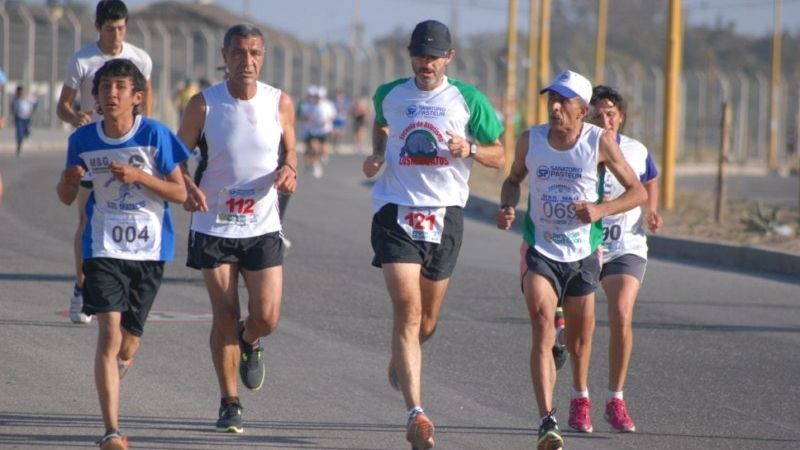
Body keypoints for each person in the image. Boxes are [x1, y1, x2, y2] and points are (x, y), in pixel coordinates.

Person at [363, 20, 504, 449]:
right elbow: (382, 126)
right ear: (411, 55)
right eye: (420, 55)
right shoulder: (390, 93)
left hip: (445, 217)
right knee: (407, 312)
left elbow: (500, 155)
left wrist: (474, 150)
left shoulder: (469, 100)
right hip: (396, 210)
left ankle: (402, 359)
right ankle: (417, 415)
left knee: (427, 321)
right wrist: (376, 154)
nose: (426, 64)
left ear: (449, 58)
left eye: (434, 56)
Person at [495, 69, 646, 450]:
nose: (555, 107)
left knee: (579, 343)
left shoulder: (598, 144)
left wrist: (601, 209)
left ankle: (581, 393)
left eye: (564, 102)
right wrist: (508, 205)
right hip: (540, 249)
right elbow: (513, 180)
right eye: (551, 100)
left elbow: (638, 191)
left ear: (582, 111)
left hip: (582, 255)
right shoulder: (531, 140)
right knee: (543, 325)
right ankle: (547, 420)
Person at [56, 58, 189, 450]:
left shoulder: (155, 135)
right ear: (94, 96)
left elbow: (180, 193)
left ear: (137, 97)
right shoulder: (82, 141)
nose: (111, 94)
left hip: (149, 250)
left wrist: (140, 177)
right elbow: (66, 199)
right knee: (109, 334)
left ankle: (119, 369)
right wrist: (66, 182)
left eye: (120, 87)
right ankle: (111, 431)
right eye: (104, 87)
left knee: (128, 345)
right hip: (102, 246)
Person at [178, 23, 297, 434]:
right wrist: (188, 186)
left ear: (263, 57)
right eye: (239, 53)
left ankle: (251, 339)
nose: (247, 61)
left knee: (266, 317)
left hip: (262, 223)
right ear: (225, 57)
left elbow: (290, 149)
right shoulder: (202, 105)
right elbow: (176, 158)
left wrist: (290, 168)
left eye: (255, 54)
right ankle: (229, 402)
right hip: (214, 222)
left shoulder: (279, 102)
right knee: (225, 314)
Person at [56, 0, 153, 325]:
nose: (117, 35)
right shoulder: (82, 59)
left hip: (128, 150)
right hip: (93, 148)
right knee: (86, 218)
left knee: (127, 214)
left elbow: (147, 107)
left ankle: (124, 279)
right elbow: (62, 106)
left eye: (122, 28)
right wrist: (75, 116)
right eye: (111, 29)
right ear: (99, 27)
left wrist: (147, 143)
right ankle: (81, 287)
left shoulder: (140, 59)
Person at [579, 84, 662, 433]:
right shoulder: (578, 146)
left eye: (610, 113)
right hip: (583, 245)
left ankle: (615, 399)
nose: (605, 119)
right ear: (587, 116)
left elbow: (649, 179)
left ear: (621, 117)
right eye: (597, 114)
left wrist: (652, 210)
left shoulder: (635, 150)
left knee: (621, 314)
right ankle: (579, 398)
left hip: (625, 245)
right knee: (581, 326)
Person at [298, 85, 337, 178]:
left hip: (323, 130)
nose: (317, 98)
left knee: (322, 149)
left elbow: (333, 116)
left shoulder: (328, 105)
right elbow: (303, 117)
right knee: (312, 148)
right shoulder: (308, 106)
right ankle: (314, 165)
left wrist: (327, 121)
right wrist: (308, 120)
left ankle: (320, 158)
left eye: (319, 97)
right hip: (311, 131)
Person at [11, 86, 37, 156]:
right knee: (19, 133)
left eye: (20, 92)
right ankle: (19, 148)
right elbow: (12, 106)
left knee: (26, 131)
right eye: (18, 92)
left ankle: (26, 134)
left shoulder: (28, 97)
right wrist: (14, 113)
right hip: (19, 118)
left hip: (27, 118)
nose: (19, 93)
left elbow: (35, 103)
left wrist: (32, 110)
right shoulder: (15, 98)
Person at [330, 87, 351, 151]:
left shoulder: (345, 101)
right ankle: (334, 144)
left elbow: (349, 108)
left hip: (342, 118)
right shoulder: (334, 101)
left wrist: (344, 109)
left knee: (340, 133)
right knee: (334, 132)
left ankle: (338, 145)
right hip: (335, 118)